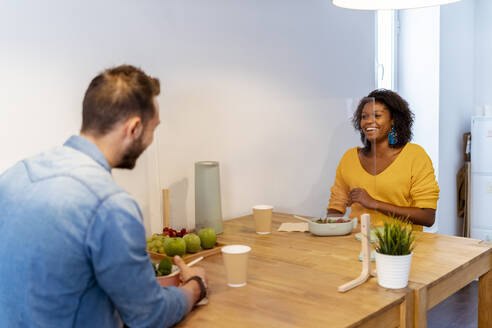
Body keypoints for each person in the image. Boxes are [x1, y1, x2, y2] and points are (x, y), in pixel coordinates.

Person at [0, 65, 207, 327]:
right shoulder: (110, 205)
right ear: (133, 128)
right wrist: (194, 285)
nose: (151, 139)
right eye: (153, 129)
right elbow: (149, 316)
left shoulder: (14, 175)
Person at [327, 89, 440, 231]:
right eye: (364, 116)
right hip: (356, 242)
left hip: (400, 247)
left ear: (393, 120)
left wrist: (374, 203)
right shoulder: (349, 158)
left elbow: (427, 217)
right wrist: (331, 223)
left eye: (377, 115)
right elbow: (336, 206)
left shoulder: (415, 156)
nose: (368, 121)